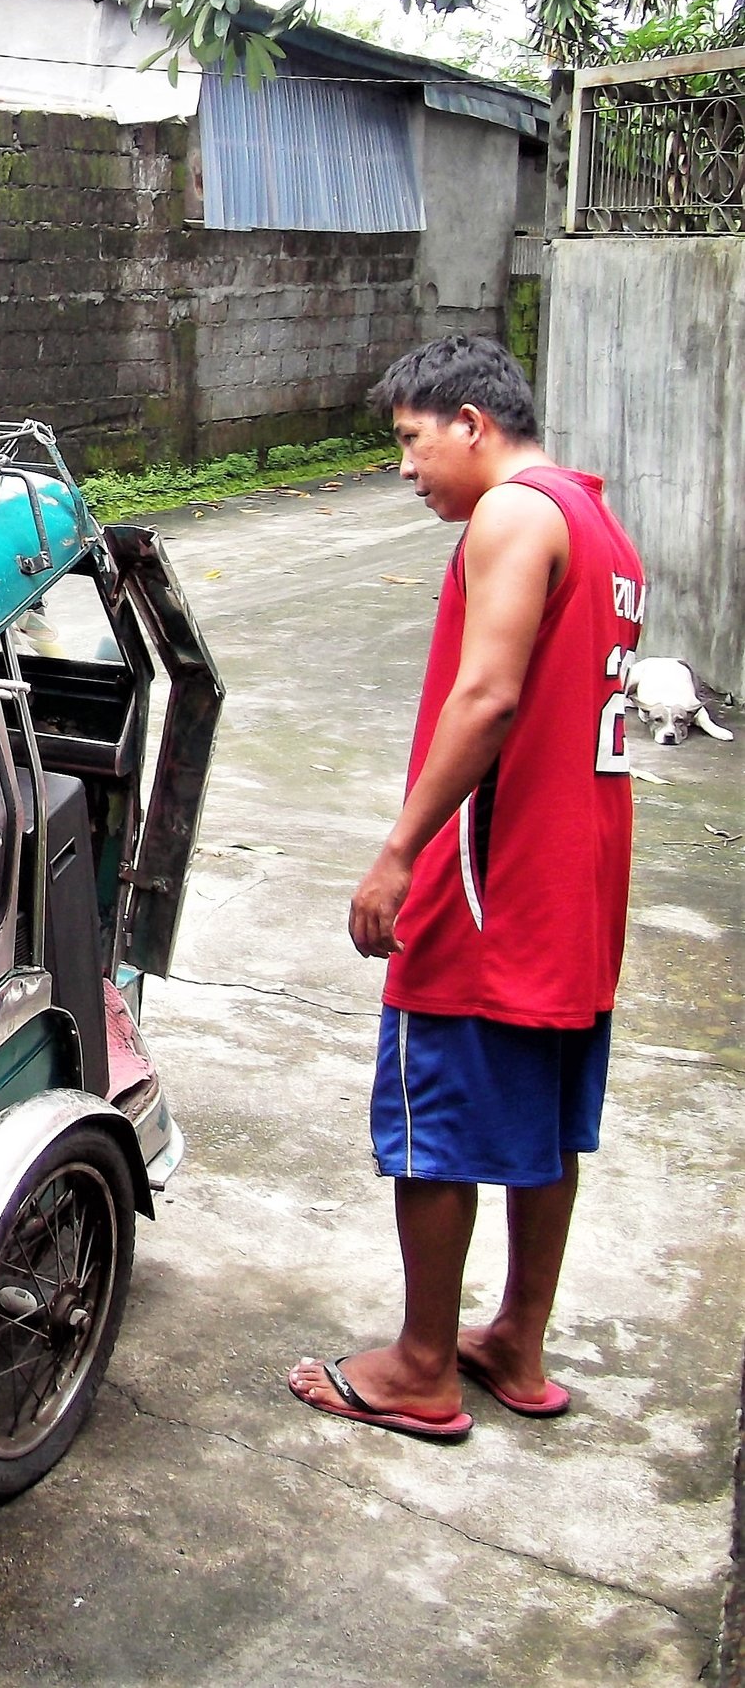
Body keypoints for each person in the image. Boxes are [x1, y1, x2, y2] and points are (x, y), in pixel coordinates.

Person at [289, 334, 645, 1442]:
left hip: (492, 885)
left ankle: (421, 1365)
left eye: (409, 441)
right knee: (543, 1123)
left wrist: (399, 850)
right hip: (576, 888)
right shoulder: (597, 521)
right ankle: (517, 1340)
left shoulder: (512, 514)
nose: (405, 469)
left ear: (470, 424)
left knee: (430, 1114)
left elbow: (486, 697)